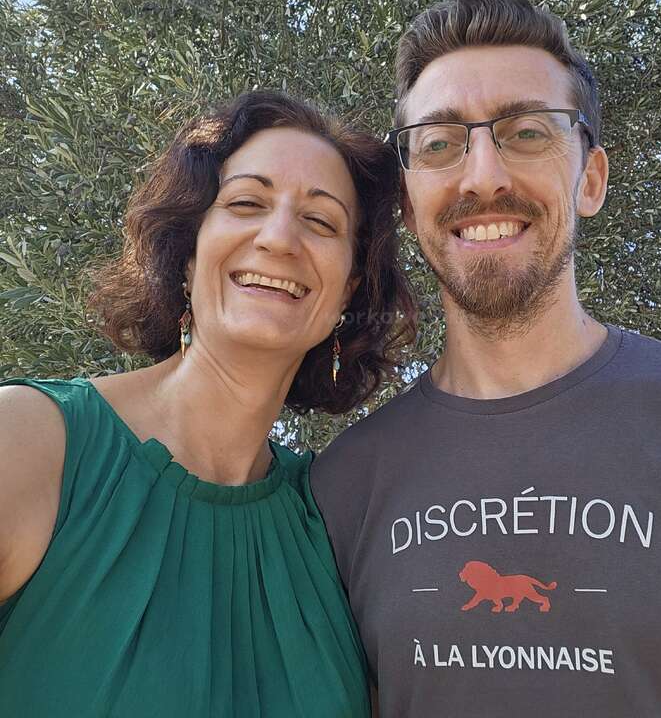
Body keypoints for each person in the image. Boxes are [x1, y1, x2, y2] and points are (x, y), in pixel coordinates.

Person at [311, 0, 661, 717]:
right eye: (441, 143)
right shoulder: (342, 488)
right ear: (408, 204)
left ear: (591, 178)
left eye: (527, 131)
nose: (483, 176)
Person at [0, 89, 414, 717]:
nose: (279, 238)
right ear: (189, 255)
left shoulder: (336, 523)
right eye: (246, 203)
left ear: (348, 290)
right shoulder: (30, 442)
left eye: (322, 221)